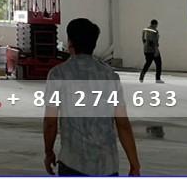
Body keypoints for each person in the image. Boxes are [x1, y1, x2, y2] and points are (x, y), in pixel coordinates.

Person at [44, 18, 141, 177]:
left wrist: (49, 152)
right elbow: (123, 124)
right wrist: (134, 164)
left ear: (70, 42)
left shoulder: (58, 75)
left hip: (72, 163)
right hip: (107, 166)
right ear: (94, 44)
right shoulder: (110, 76)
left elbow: (50, 122)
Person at [139, 19, 162, 84]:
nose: (156, 26)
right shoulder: (154, 31)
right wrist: (156, 50)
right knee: (158, 64)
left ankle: (142, 75)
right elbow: (154, 41)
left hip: (146, 50)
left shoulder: (145, 30)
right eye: (156, 25)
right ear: (155, 24)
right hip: (153, 50)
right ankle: (158, 79)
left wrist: (145, 46)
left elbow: (143, 39)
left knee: (148, 63)